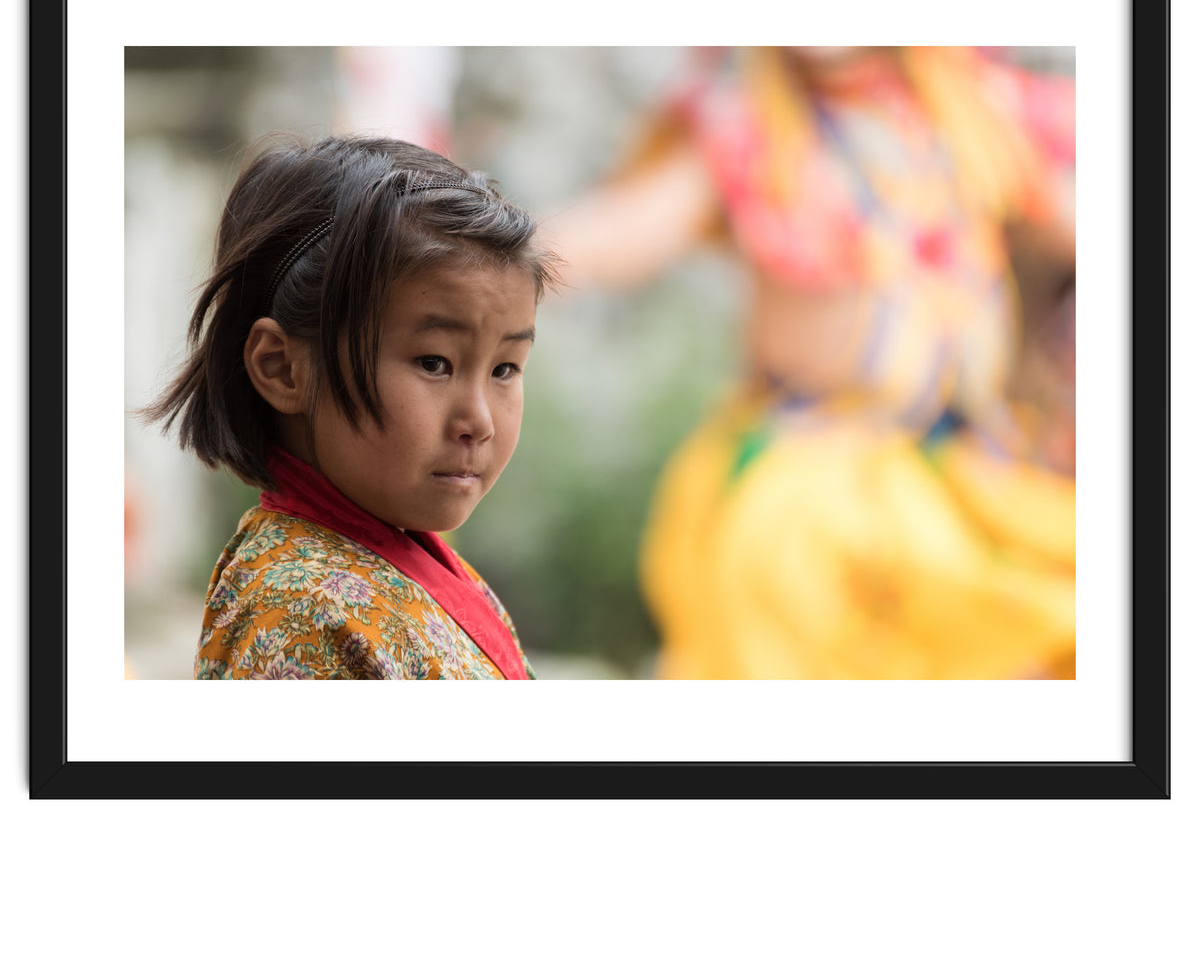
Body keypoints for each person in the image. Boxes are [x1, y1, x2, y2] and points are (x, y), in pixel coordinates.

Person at [542, 46, 1076, 680]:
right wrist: (491, 256)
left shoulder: (969, 112)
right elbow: (623, 233)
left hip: (963, 471)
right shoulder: (745, 124)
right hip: (813, 479)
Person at [143, 135, 560, 679]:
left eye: (505, 368)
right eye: (434, 363)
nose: (479, 421)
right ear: (282, 368)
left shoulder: (408, 561)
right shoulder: (300, 615)